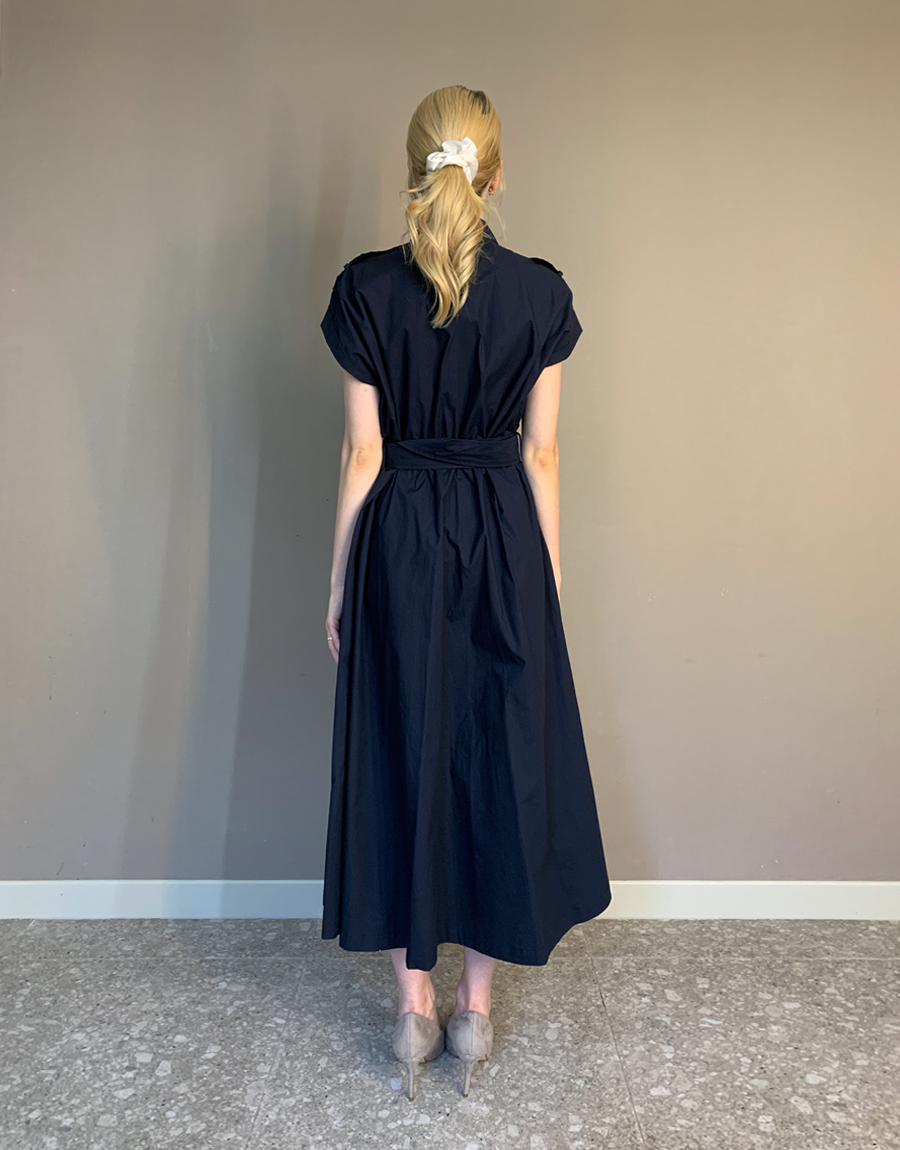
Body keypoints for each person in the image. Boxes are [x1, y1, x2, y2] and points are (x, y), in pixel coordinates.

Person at [320, 85, 612, 1101]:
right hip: (501, 541)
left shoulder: (365, 289)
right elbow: (543, 453)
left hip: (398, 538)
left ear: (413, 170)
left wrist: (339, 580)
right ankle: (475, 1009)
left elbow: (363, 455)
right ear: (498, 175)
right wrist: (548, 577)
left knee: (402, 744)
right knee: (499, 751)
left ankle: (413, 1009)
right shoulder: (539, 293)